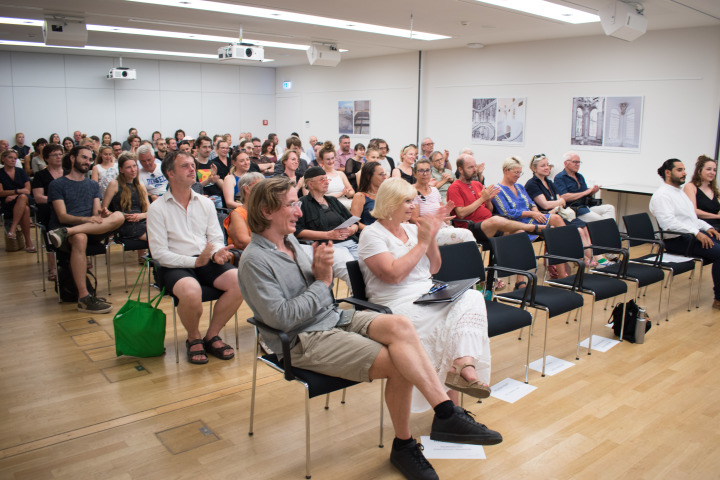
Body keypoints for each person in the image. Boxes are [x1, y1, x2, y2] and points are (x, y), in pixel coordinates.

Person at [238, 176, 502, 480]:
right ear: (267, 210)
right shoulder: (254, 260)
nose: (299, 212)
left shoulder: (290, 243)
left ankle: (446, 413)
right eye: (291, 205)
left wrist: (319, 273)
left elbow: (316, 291)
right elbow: (283, 318)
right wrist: (323, 281)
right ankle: (409, 441)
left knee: (401, 326)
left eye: (297, 203)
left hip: (332, 318)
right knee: (399, 362)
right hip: (303, 338)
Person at [360, 177, 492, 406]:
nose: (413, 206)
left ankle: (463, 362)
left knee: (473, 296)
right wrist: (422, 243)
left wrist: (430, 237)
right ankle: (452, 408)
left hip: (427, 293)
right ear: (391, 203)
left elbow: (434, 268)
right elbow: (394, 275)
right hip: (395, 303)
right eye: (408, 201)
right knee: (450, 323)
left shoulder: (412, 230)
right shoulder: (372, 235)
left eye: (413, 201)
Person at [147, 150, 243, 364]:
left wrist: (218, 252)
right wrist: (195, 261)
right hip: (174, 264)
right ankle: (194, 338)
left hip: (205, 260)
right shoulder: (157, 208)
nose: (193, 169)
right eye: (185, 166)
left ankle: (212, 335)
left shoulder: (205, 203)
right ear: (170, 174)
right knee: (191, 291)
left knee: (239, 281)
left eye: (193, 165)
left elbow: (216, 237)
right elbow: (160, 254)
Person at [47, 145, 125, 313]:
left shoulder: (92, 185)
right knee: (80, 237)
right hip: (67, 226)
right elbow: (62, 216)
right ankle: (84, 297)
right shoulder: (57, 184)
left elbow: (95, 212)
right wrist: (86, 220)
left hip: (84, 229)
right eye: (83, 158)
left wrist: (102, 214)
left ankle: (66, 233)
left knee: (118, 215)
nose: (87, 162)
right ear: (72, 158)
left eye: (89, 159)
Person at [650, 159, 720, 309]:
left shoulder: (679, 193)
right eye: (680, 170)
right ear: (668, 173)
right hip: (677, 241)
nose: (685, 173)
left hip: (690, 236)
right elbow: (668, 224)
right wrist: (696, 232)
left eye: (684, 169)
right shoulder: (662, 195)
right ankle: (718, 299)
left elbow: (692, 219)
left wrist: (707, 228)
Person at [493, 156, 567, 279]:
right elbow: (508, 212)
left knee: (557, 221)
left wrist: (537, 213)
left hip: (531, 219)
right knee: (552, 230)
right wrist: (533, 214)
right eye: (516, 172)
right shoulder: (497, 190)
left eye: (520, 173)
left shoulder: (520, 187)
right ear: (506, 171)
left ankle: (561, 272)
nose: (518, 175)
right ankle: (522, 279)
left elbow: (531, 203)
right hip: (514, 224)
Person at [447, 154, 546, 244]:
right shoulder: (454, 187)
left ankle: (514, 263)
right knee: (496, 220)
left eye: (475, 166)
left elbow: (488, 210)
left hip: (489, 224)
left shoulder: (477, 184)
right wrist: (482, 199)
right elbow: (461, 213)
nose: (474, 170)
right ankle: (532, 227)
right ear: (460, 169)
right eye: (470, 167)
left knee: (519, 233)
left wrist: (488, 200)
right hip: (470, 227)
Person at [525, 153, 597, 266]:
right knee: (578, 231)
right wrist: (558, 203)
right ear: (534, 169)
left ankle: (592, 257)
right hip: (546, 217)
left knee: (584, 228)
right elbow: (545, 205)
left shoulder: (549, 182)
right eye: (542, 165)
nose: (547, 167)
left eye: (547, 165)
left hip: (559, 214)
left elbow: (562, 201)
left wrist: (557, 204)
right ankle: (584, 258)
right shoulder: (532, 184)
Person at [411, 159, 474, 246]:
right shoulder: (412, 191)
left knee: (464, 241)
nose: (425, 174)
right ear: (414, 174)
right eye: (421, 171)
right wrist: (436, 219)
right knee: (466, 235)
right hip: (427, 231)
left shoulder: (434, 190)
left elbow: (443, 216)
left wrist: (446, 212)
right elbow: (414, 219)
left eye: (427, 170)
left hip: (442, 227)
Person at [102, 153, 149, 259]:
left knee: (163, 232)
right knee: (158, 237)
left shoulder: (140, 185)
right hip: (124, 224)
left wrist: (140, 216)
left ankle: (150, 259)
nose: (133, 170)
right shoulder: (114, 184)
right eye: (128, 167)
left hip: (141, 221)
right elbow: (103, 210)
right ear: (121, 169)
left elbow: (149, 211)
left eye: (134, 166)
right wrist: (112, 214)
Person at [554, 151, 615, 223]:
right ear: (566, 163)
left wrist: (592, 192)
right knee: (603, 221)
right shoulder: (559, 177)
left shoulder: (579, 176)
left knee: (610, 208)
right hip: (574, 210)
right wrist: (585, 192)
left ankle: (605, 230)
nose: (577, 164)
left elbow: (586, 193)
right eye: (575, 162)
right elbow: (564, 197)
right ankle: (607, 230)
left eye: (579, 162)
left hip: (586, 207)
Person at [32, 144, 65, 279]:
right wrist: (57, 201)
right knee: (48, 225)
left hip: (68, 208)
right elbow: (39, 197)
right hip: (49, 209)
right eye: (54, 155)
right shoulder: (40, 175)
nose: (58, 157)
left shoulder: (68, 173)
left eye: (60, 154)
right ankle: (52, 267)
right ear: (46, 158)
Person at [0, 150, 35, 252]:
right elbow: (1, 192)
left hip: (25, 199)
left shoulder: (21, 171)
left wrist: (14, 194)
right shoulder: (0, 173)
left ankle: (13, 228)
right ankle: (29, 243)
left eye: (15, 158)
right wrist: (17, 191)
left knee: (23, 198)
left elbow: (27, 190)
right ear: (3, 159)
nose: (13, 160)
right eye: (10, 157)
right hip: (9, 204)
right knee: (26, 209)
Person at [223, 172, 263, 250]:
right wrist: (272, 243)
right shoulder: (237, 214)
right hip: (248, 257)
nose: (264, 189)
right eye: (260, 186)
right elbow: (243, 242)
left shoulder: (266, 211)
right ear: (246, 188)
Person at [683, 155, 720, 230]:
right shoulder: (690, 187)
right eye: (708, 169)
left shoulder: (714, 190)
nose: (712, 173)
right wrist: (717, 216)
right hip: (702, 228)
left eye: (714, 170)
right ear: (699, 171)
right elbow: (694, 211)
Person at [350, 155, 385, 231]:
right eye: (380, 174)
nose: (384, 177)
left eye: (384, 174)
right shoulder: (360, 196)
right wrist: (372, 230)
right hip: (370, 234)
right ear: (369, 176)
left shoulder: (386, 195)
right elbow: (354, 222)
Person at [316, 141, 354, 208]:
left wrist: (348, 193)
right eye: (327, 159)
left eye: (332, 158)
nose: (331, 161)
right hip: (328, 205)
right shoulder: (319, 175)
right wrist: (341, 194)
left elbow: (352, 191)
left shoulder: (340, 174)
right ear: (322, 160)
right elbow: (318, 196)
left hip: (344, 203)